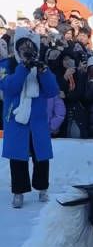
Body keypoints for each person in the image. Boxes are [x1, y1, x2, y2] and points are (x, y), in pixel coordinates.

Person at [0, 28, 59, 208]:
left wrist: (43, 71)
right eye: (23, 45)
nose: (27, 49)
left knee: (41, 158)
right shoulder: (7, 64)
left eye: (30, 46)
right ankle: (18, 192)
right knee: (18, 159)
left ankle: (42, 188)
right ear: (16, 47)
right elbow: (9, 88)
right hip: (16, 120)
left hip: (38, 120)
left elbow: (52, 90)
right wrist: (23, 68)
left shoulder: (41, 65)